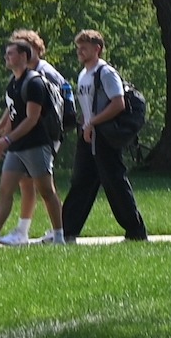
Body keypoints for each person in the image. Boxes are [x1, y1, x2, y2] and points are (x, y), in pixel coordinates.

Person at [0, 37, 66, 248]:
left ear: (23, 56)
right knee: (4, 190)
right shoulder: (13, 83)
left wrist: (7, 140)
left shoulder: (34, 82)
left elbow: (32, 118)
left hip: (36, 144)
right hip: (17, 147)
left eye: (10, 53)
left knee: (46, 190)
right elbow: (12, 113)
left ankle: (59, 237)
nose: (6, 57)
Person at [61, 30, 149, 243]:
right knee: (81, 183)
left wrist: (94, 122)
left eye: (85, 47)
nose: (80, 51)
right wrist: (84, 123)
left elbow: (118, 103)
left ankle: (136, 232)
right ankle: (66, 232)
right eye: (78, 47)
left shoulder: (106, 73)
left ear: (97, 49)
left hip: (105, 136)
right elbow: (88, 107)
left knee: (115, 184)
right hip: (89, 135)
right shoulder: (83, 74)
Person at [0, 28, 72, 244]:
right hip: (27, 135)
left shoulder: (42, 73)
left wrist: (8, 136)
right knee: (25, 182)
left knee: (40, 185)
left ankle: (50, 233)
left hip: (44, 134)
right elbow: (13, 106)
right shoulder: (19, 78)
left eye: (24, 48)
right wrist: (0, 130)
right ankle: (22, 231)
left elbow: (44, 108)